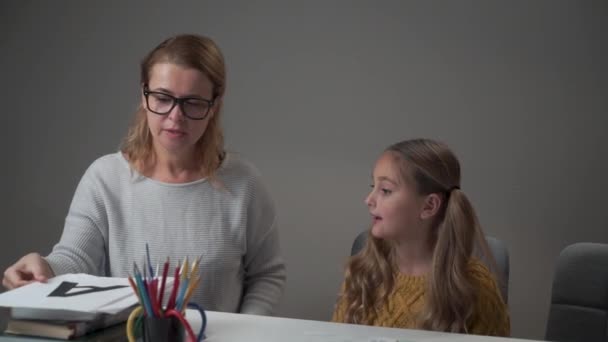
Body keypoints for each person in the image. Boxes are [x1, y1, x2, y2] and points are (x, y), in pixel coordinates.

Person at [2, 34, 286, 316]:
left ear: (215, 106)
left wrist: (248, 330)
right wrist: (43, 267)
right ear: (144, 94)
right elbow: (76, 258)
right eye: (163, 98)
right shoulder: (105, 178)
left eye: (193, 102)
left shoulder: (244, 183)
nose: (176, 117)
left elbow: (267, 275)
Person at [332, 139, 509, 336]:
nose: (369, 199)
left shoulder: (474, 288)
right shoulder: (363, 272)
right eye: (372, 186)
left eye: (385, 190)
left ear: (429, 206)